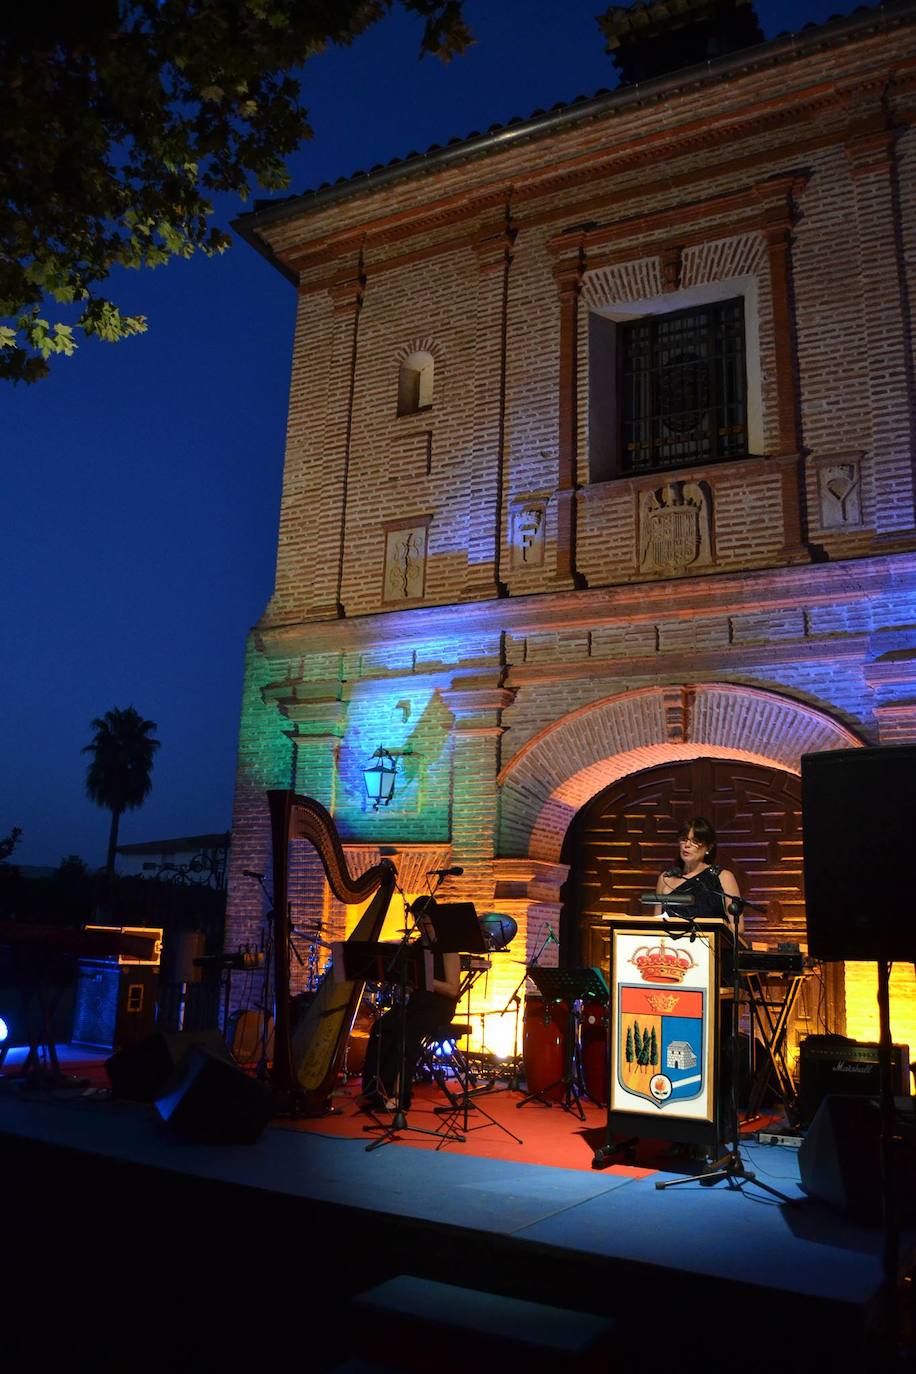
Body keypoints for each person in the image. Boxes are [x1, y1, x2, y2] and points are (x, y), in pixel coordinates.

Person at [358, 900, 461, 1112]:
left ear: (434, 918)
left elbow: (453, 990)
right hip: (417, 1003)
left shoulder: (448, 946)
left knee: (406, 1033)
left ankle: (400, 1097)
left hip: (438, 1007)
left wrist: (424, 981)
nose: (420, 923)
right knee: (380, 1028)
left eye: (424, 918)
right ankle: (375, 1090)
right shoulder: (416, 947)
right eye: (417, 918)